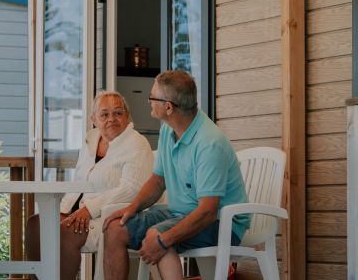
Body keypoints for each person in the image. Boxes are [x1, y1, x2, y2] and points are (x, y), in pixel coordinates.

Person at [102, 70, 251, 280]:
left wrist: (163, 240)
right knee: (116, 229)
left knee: (158, 237)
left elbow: (208, 211)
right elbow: (158, 180)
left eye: (152, 98)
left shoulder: (209, 143)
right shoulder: (167, 130)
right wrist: (131, 208)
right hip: (180, 213)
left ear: (168, 107)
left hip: (221, 223)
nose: (148, 102)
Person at [25, 90, 154, 280]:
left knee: (64, 232)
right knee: (36, 224)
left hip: (109, 215)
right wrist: (66, 209)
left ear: (127, 116)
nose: (112, 119)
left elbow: (132, 189)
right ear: (94, 119)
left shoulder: (136, 144)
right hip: (78, 209)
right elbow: (80, 181)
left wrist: (89, 209)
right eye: (105, 114)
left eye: (118, 113)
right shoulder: (90, 141)